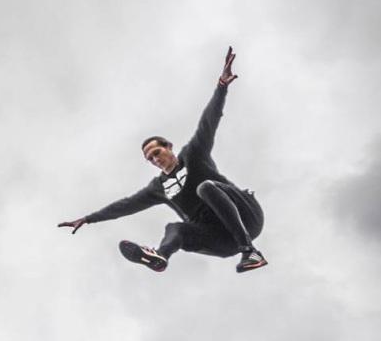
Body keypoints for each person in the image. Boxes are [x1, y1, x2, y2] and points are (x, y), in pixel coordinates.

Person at [58, 48, 267, 274]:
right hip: (221, 241)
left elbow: (209, 121)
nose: (154, 160)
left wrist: (222, 86)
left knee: (206, 187)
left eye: (156, 153)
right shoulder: (157, 188)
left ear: (168, 146)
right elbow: (125, 205)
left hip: (247, 217)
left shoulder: (193, 154)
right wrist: (89, 219)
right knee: (174, 228)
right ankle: (160, 256)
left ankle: (251, 252)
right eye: (149, 159)